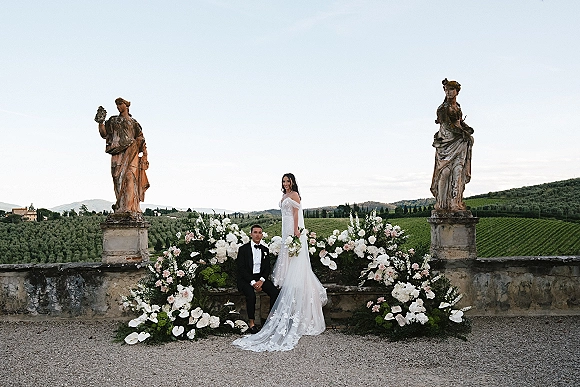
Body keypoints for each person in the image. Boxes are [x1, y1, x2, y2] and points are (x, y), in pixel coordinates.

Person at [233, 173, 327, 352]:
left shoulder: (294, 195)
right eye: (283, 181)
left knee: (295, 264)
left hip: (291, 231)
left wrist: (295, 234)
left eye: (288, 181)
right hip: (285, 231)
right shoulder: (284, 195)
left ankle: (293, 310)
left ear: (293, 182)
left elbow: (296, 214)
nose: (285, 183)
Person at [95, 98, 149, 214]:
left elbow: (141, 138)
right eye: (117, 104)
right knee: (118, 180)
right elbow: (104, 134)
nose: (118, 106)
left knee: (130, 178)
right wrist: (100, 122)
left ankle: (129, 209)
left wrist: (144, 154)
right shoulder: (113, 121)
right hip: (117, 154)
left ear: (126, 105)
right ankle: (121, 207)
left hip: (132, 153)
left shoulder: (133, 123)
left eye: (120, 104)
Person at [430, 79, 474, 212]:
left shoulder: (458, 107)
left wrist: (467, 129)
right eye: (446, 90)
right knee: (445, 172)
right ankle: (442, 203)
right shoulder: (442, 108)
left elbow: (458, 122)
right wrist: (463, 133)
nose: (448, 92)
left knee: (458, 171)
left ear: (457, 91)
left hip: (459, 143)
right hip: (446, 144)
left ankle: (455, 202)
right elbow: (448, 125)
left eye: (450, 89)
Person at [236, 224, 280, 334]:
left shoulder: (265, 249)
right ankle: (251, 323)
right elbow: (241, 269)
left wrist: (261, 280)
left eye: (260, 232)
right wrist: (252, 282)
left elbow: (267, 268)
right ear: (251, 234)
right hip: (246, 279)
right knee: (250, 295)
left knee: (274, 292)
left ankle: (270, 319)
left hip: (260, 278)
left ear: (262, 235)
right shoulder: (243, 249)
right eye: (255, 232)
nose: (257, 235)